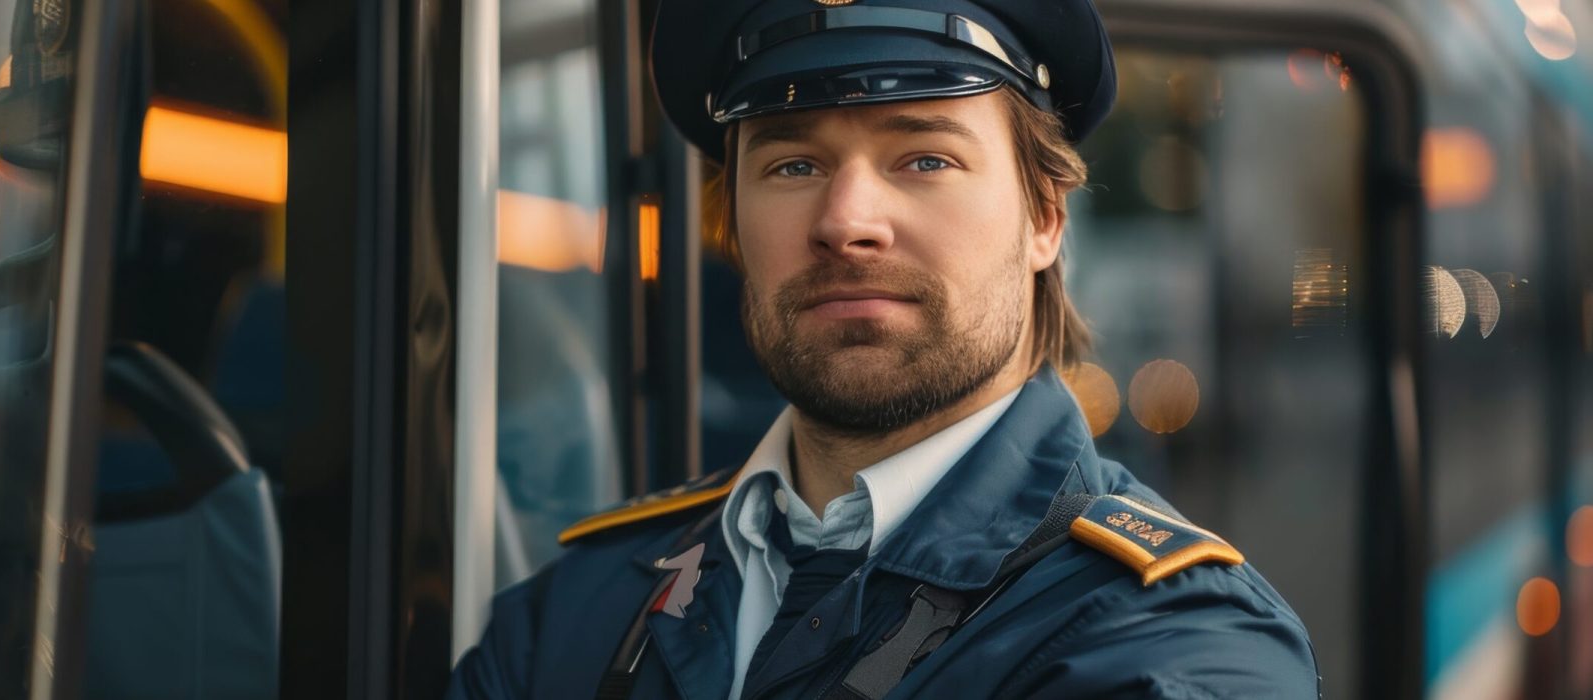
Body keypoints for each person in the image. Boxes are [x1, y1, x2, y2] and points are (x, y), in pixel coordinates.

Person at [449, 0, 1320, 696]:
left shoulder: (1168, 642)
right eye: (793, 166)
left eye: (924, 159)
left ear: (1045, 217)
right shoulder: (575, 610)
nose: (845, 223)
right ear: (734, 225)